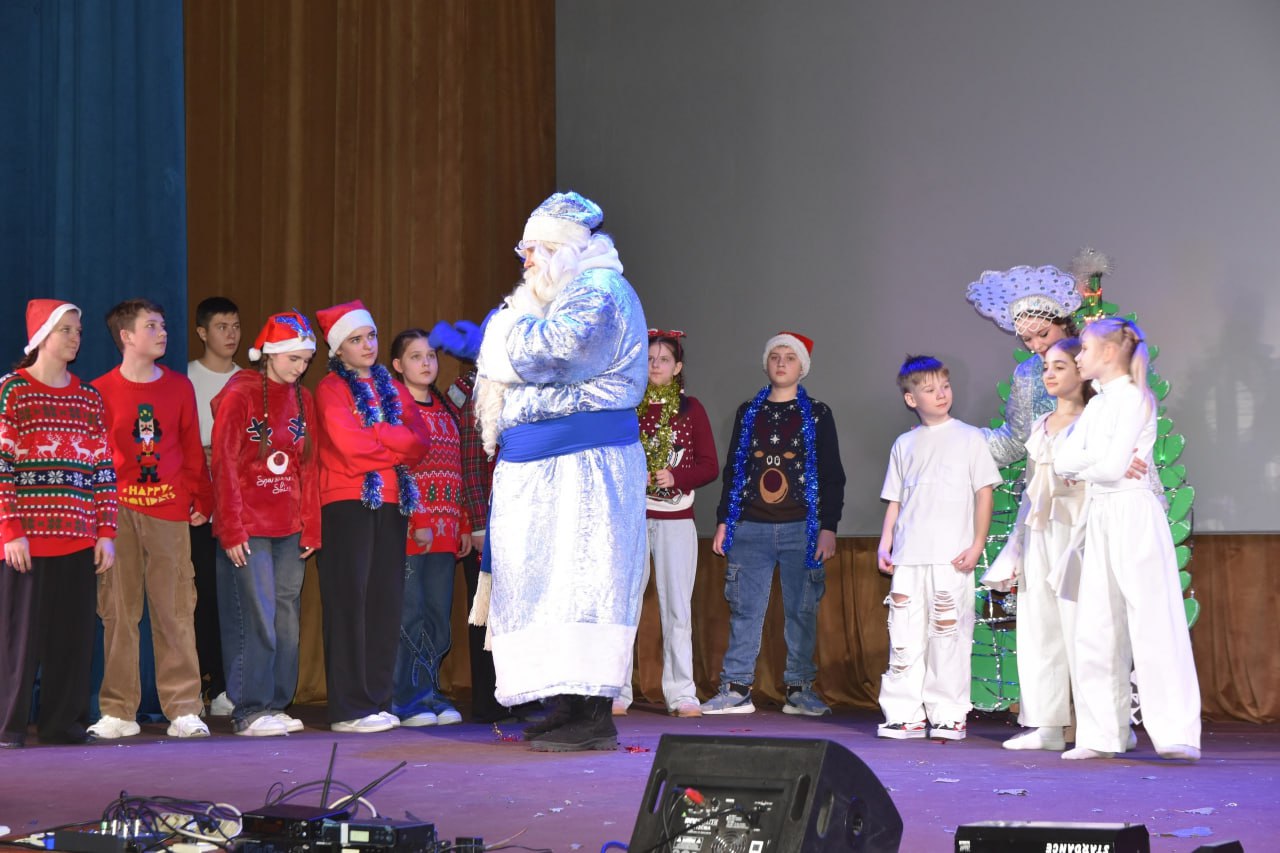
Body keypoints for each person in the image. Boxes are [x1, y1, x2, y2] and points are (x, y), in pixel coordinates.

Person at [472, 190, 648, 752]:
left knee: (584, 582)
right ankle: (565, 703)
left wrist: (503, 331)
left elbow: (561, 352)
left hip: (584, 469)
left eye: (533, 249)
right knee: (549, 584)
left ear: (562, 248)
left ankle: (592, 714)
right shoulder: (563, 292)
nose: (524, 260)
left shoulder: (600, 290)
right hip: (547, 467)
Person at [1054, 318, 1201, 761]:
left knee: (1153, 620)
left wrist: (1092, 463)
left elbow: (1111, 465)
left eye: (1084, 348)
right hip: (1099, 512)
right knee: (1096, 625)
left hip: (1134, 511)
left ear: (1109, 352)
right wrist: (1096, 463)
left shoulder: (1135, 398)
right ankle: (1102, 734)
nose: (1078, 356)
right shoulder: (1097, 405)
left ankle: (1175, 731)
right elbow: (1062, 459)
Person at [702, 332, 845, 718]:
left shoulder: (818, 414)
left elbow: (832, 475)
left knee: (802, 610)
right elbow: (735, 470)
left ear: (802, 367)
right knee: (745, 610)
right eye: (775, 356)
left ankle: (799, 690)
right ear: (766, 364)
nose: (781, 363)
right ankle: (736, 688)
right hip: (750, 527)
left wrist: (828, 527)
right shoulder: (748, 412)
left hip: (803, 529)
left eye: (790, 357)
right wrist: (724, 521)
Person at [92, 299, 213, 739]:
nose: (163, 333)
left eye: (163, 325)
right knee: (118, 612)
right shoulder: (100, 390)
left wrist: (202, 498)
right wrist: (99, 519)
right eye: (151, 326)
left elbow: (191, 449)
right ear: (126, 336)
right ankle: (118, 710)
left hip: (168, 511)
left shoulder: (179, 387)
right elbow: (96, 460)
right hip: (119, 512)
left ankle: (184, 708)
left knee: (175, 609)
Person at [1, 301, 117, 749]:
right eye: (66, 330)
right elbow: (1, 464)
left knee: (72, 640)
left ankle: (62, 724)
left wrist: (106, 531)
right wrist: (10, 529)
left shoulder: (88, 398)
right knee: (17, 642)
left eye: (78, 331)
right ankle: (8, 727)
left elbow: (103, 468)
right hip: (26, 542)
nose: (75, 337)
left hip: (77, 538)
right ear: (41, 337)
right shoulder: (12, 390)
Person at [314, 300, 431, 734]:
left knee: (384, 602)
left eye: (371, 336)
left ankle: (377, 701)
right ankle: (349, 708)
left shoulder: (393, 388)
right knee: (350, 602)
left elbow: (419, 443)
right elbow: (350, 448)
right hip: (348, 501)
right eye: (356, 339)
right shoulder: (330, 388)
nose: (368, 345)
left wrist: (378, 432)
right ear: (338, 349)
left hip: (393, 501)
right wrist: (393, 442)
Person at [875, 355, 1002, 740]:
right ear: (911, 399)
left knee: (949, 634)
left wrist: (977, 544)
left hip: (952, 556)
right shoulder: (905, 444)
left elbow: (984, 493)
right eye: (930, 390)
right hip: (909, 556)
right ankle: (904, 712)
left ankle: (948, 712)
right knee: (905, 635)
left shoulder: (970, 438)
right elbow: (895, 500)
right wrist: (885, 544)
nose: (941, 394)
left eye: (944, 386)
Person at [210, 312, 320, 737]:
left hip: (289, 527)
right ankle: (249, 709)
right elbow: (223, 463)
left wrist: (311, 524)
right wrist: (231, 528)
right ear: (270, 354)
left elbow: (308, 466)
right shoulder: (241, 394)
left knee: (286, 616)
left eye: (306, 361)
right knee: (256, 615)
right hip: (249, 526)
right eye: (294, 359)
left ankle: (275, 702)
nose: (300, 368)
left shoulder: (303, 399)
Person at [982, 339, 1093, 750]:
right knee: (1039, 627)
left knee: (1084, 629)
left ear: (1082, 371)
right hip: (1041, 533)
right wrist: (1016, 547)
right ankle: (1046, 724)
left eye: (1060, 366)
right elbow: (1032, 490)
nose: (1049, 374)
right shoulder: (1041, 424)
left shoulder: (1094, 421)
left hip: (1078, 533)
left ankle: (1097, 724)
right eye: (1047, 367)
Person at [616, 330, 718, 718]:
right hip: (634, 519)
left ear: (677, 368)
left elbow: (709, 466)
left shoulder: (691, 410)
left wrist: (677, 477)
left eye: (663, 359)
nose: (655, 365)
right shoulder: (628, 408)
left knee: (677, 608)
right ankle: (617, 690)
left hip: (676, 519)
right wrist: (634, 474)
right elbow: (613, 459)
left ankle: (682, 693)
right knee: (625, 606)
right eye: (649, 359)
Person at [388, 329, 472, 728]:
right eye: (415, 356)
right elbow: (398, 469)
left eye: (431, 356)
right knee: (411, 615)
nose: (426, 363)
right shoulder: (396, 409)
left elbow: (458, 468)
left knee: (438, 615)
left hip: (446, 530)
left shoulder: (445, 409)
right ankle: (407, 699)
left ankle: (430, 692)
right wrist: (417, 520)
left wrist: (464, 522)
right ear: (397, 365)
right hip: (411, 531)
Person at [965, 265, 1082, 465]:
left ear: (1062, 322)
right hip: (1045, 478)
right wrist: (955, 440)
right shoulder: (1026, 373)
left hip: (1095, 476)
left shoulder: (1092, 361)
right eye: (1027, 339)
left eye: (1043, 334)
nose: (1037, 345)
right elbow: (1015, 440)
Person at [187, 296, 242, 716]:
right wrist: (202, 452)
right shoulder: (186, 377)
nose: (231, 334)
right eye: (222, 327)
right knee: (201, 594)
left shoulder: (247, 382)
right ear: (202, 332)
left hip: (238, 505)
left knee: (234, 597)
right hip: (196, 506)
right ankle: (204, 683)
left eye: (236, 326)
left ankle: (231, 684)